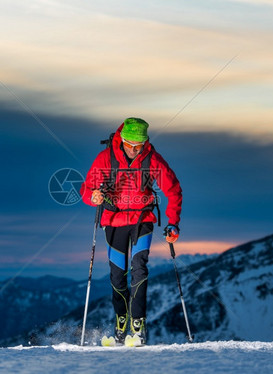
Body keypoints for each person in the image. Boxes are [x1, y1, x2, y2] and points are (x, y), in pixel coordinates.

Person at [80, 117, 182, 345]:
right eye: (130, 145)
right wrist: (92, 196)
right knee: (117, 274)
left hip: (142, 218)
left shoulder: (151, 159)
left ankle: (138, 325)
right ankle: (121, 322)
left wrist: (173, 222)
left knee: (139, 268)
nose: (135, 150)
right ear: (122, 140)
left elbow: (173, 189)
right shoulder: (106, 158)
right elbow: (86, 188)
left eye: (140, 145)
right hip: (114, 219)